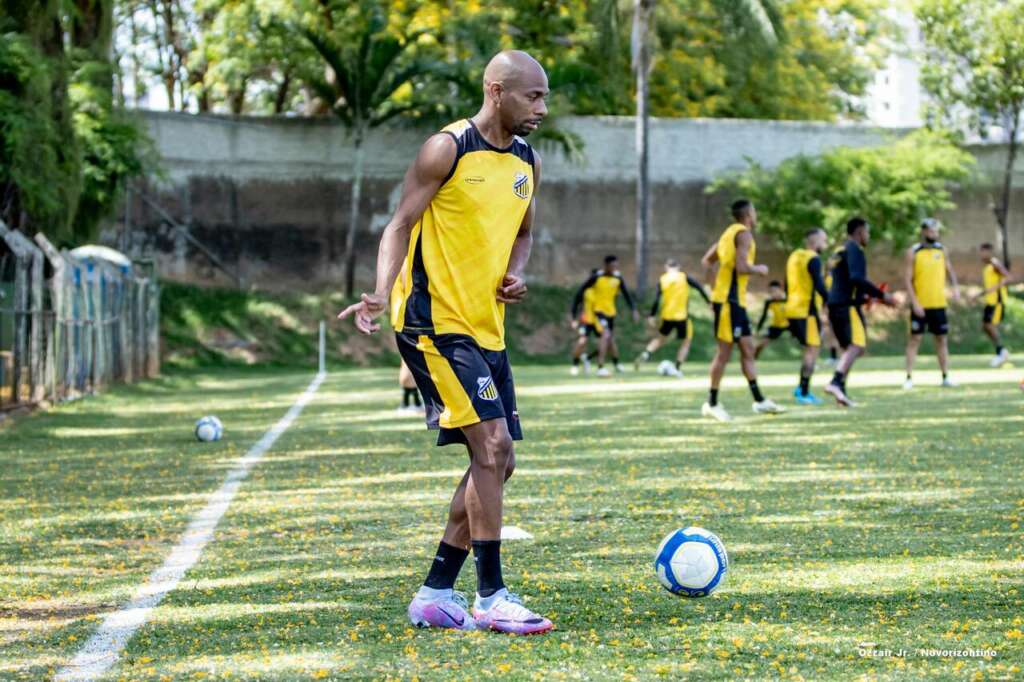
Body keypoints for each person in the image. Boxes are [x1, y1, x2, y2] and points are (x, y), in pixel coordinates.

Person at [338, 50, 553, 635]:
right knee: (491, 445)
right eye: (531, 96)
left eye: (544, 98)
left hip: (487, 325)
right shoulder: (447, 148)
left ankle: (435, 593)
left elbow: (525, 232)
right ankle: (491, 596)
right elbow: (399, 225)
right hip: (432, 321)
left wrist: (516, 271)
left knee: (499, 460)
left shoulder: (527, 161)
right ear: (495, 90)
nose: (541, 108)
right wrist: (381, 293)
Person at [700, 199, 785, 421]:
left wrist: (713, 290)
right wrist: (760, 269)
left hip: (732, 301)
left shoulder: (727, 234)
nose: (756, 215)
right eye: (755, 211)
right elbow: (741, 267)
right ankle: (712, 403)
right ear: (748, 214)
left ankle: (759, 401)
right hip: (729, 303)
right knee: (724, 353)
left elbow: (707, 261)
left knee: (748, 349)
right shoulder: (744, 234)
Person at [824, 217, 894, 406]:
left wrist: (865, 298)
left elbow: (842, 281)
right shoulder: (855, 249)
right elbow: (856, 278)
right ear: (860, 231)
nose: (868, 236)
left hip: (835, 304)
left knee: (849, 348)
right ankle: (836, 382)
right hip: (846, 306)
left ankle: (841, 393)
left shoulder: (838, 251)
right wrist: (883, 295)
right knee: (857, 346)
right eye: (868, 232)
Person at [903, 219, 960, 389]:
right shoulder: (913, 252)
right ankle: (908, 378)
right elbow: (907, 279)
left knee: (941, 340)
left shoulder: (942, 250)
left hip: (939, 304)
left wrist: (955, 289)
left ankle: (945, 376)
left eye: (936, 231)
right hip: (920, 304)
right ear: (923, 232)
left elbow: (950, 271)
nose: (934, 233)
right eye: (931, 230)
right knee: (915, 339)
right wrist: (915, 303)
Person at [634, 258, 710, 377]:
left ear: (666, 268)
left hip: (667, 316)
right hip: (682, 316)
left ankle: (646, 353)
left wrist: (652, 315)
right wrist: (708, 301)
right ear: (678, 267)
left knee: (661, 338)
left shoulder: (663, 279)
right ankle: (677, 368)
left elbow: (657, 299)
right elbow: (698, 287)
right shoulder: (684, 277)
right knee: (686, 342)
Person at [571, 255, 638, 377]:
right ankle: (590, 366)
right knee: (589, 339)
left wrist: (633, 310)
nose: (615, 268)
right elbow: (579, 297)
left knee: (609, 341)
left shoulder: (617, 278)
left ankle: (611, 362)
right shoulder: (595, 281)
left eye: (616, 266)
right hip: (592, 316)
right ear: (606, 266)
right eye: (613, 266)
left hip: (610, 314)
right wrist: (574, 317)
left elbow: (626, 294)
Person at [784, 227, 830, 405]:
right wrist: (831, 302)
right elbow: (819, 284)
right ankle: (804, 391)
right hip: (806, 311)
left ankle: (801, 388)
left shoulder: (794, 256)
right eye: (823, 240)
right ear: (815, 241)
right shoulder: (814, 259)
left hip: (792, 309)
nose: (824, 244)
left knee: (808, 350)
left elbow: (786, 283)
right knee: (813, 350)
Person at [974, 243, 1012, 367]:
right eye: (980, 252)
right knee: (986, 326)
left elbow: (1007, 277)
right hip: (990, 301)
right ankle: (1000, 351)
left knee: (989, 326)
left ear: (989, 252)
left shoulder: (995, 263)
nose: (981, 254)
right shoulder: (987, 266)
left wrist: (994, 289)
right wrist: (981, 294)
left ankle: (1002, 352)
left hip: (997, 301)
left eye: (983, 251)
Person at [569, 285, 603, 375]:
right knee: (581, 341)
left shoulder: (603, 291)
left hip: (598, 321)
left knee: (604, 344)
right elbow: (576, 304)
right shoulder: (585, 290)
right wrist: (574, 319)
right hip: (586, 320)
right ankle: (575, 365)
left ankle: (588, 358)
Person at [753, 280, 788, 358]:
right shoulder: (769, 302)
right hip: (777, 325)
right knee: (761, 343)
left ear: (780, 290)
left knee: (804, 340)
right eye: (771, 291)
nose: (773, 293)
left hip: (790, 324)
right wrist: (758, 329)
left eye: (775, 291)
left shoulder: (787, 299)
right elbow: (764, 316)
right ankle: (753, 359)